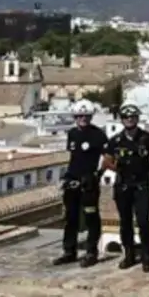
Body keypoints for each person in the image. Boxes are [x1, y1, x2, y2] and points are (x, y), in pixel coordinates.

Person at [101, 104, 149, 272]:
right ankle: (129, 255)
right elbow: (106, 161)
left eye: (132, 116)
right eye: (126, 117)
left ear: (137, 118)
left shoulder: (147, 138)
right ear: (122, 119)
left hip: (141, 186)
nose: (129, 119)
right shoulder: (116, 140)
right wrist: (119, 169)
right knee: (125, 222)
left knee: (143, 221)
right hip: (123, 186)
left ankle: (147, 256)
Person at [54, 100, 107, 268]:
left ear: (91, 117)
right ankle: (69, 251)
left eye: (86, 116)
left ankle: (91, 252)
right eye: (79, 116)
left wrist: (97, 174)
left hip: (89, 184)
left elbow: (108, 157)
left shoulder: (98, 135)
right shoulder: (72, 134)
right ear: (75, 117)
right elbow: (72, 157)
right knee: (71, 218)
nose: (83, 118)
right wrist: (65, 178)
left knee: (91, 218)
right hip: (72, 182)